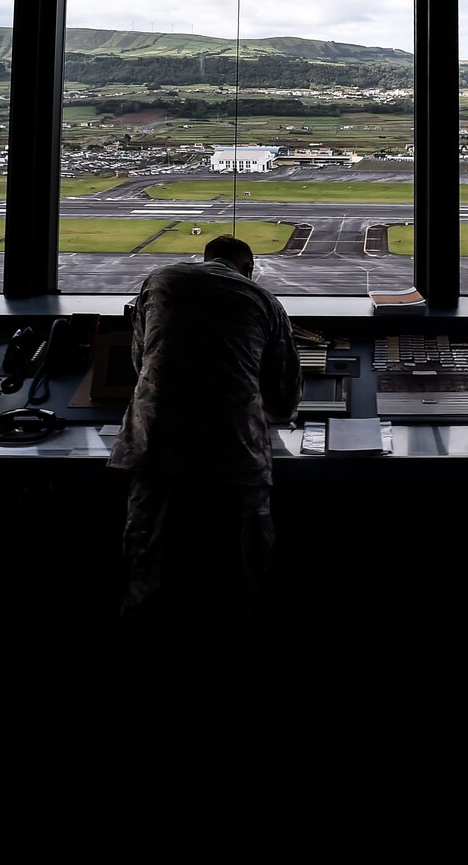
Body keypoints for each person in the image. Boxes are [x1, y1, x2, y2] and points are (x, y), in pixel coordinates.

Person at [106, 234, 302, 680]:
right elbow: (284, 397)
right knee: (235, 583)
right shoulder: (263, 300)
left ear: (206, 257)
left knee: (149, 576)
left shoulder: (159, 282)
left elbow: (142, 362)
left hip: (157, 450)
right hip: (234, 459)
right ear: (246, 268)